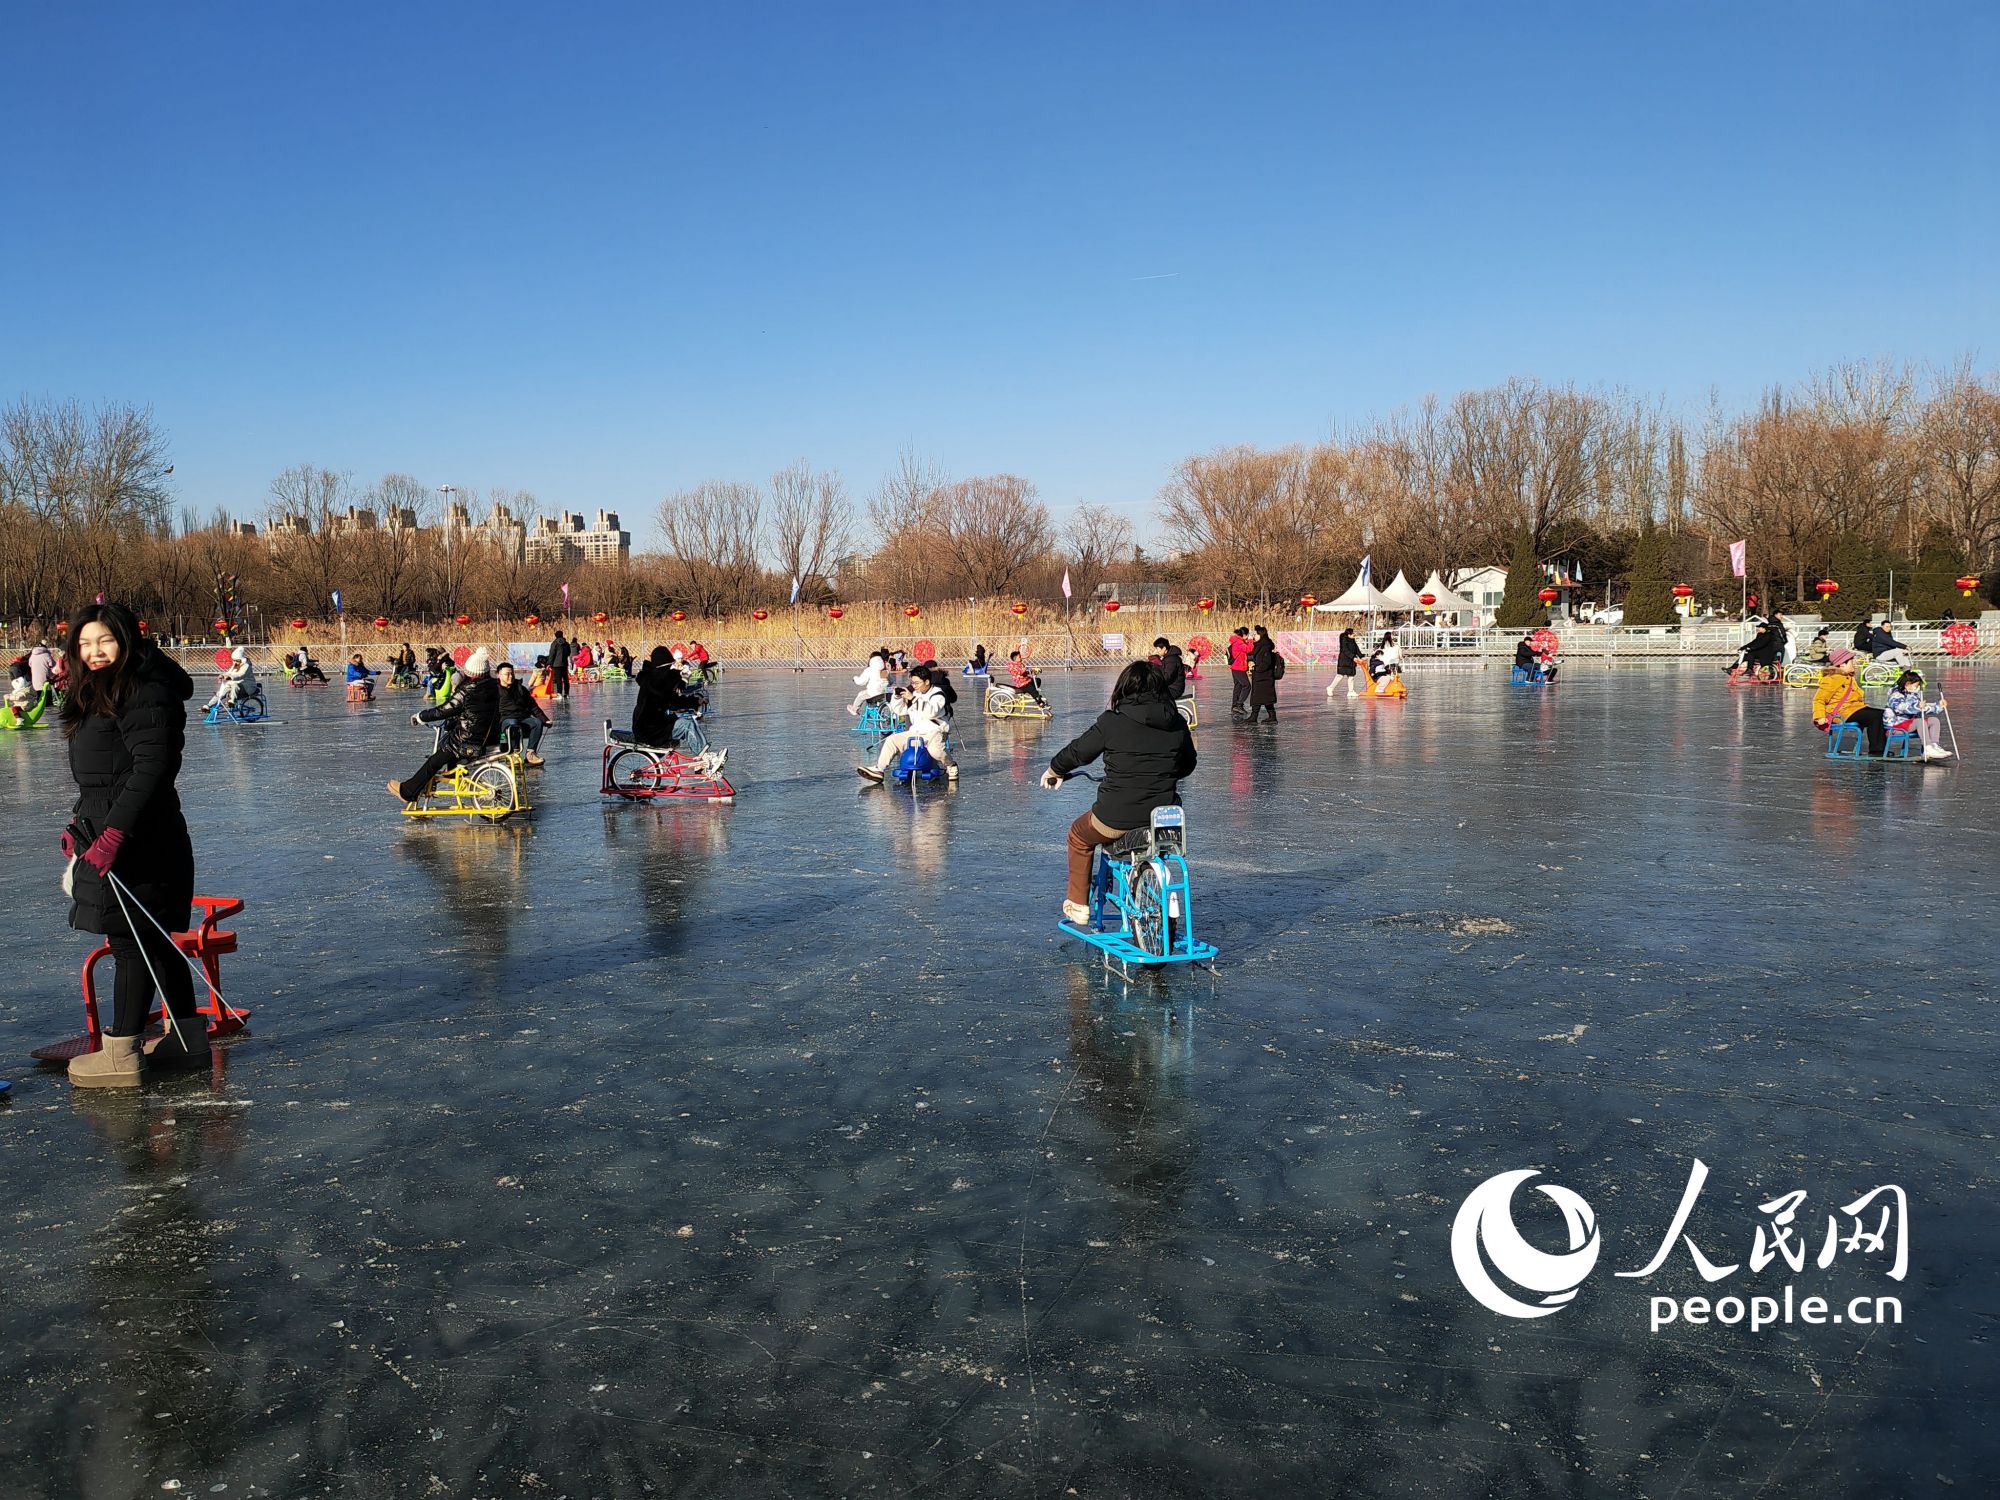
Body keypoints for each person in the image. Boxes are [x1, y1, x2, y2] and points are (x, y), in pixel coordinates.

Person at [58, 603, 204, 1086]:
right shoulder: (107, 688)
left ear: (126, 641)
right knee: (157, 943)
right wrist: (83, 826)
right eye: (84, 644)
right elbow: (107, 774)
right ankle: (185, 1043)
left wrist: (114, 834)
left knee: (132, 944)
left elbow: (151, 769)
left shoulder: (143, 689)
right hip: (119, 830)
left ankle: (121, 1054)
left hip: (142, 840)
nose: (94, 652)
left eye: (105, 641)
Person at [1039, 660, 1197, 925]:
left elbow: (1079, 751)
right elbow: (1188, 764)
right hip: (1163, 818)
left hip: (1115, 817)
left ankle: (1078, 904)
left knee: (1079, 835)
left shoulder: (1112, 722)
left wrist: (1055, 769)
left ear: (1124, 687)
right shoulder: (1177, 723)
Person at [388, 648, 501, 804]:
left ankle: (408, 792)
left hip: (468, 741)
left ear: (471, 672)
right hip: (489, 737)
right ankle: (451, 774)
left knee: (435, 760)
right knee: (448, 742)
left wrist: (421, 716)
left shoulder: (467, 690)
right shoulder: (494, 686)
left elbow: (444, 710)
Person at [632, 646, 724, 770]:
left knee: (688, 722)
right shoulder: (655, 684)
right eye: (669, 666)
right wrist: (693, 700)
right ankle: (704, 757)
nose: (670, 668)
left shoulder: (653, 682)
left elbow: (672, 700)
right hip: (649, 730)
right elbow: (673, 701)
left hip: (653, 725)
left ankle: (702, 758)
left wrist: (695, 701)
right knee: (686, 725)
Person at [858, 669, 957, 783]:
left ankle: (951, 765)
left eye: (917, 683)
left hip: (935, 731)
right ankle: (879, 770)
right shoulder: (915, 694)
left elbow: (931, 712)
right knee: (892, 740)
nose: (914, 686)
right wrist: (897, 698)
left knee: (935, 751)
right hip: (916, 731)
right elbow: (900, 710)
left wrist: (913, 699)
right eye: (912, 683)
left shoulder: (938, 694)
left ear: (927, 682)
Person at [1811, 649, 1887, 756]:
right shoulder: (1832, 679)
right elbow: (1819, 699)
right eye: (1852, 661)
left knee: (1882, 713)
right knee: (1875, 716)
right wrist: (1819, 717)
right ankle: (1877, 751)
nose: (1854, 663)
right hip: (1841, 713)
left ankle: (1882, 748)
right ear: (1842, 664)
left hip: (1853, 710)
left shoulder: (1849, 677)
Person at [1884, 670, 1952, 761]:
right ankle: (1927, 747)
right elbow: (1900, 708)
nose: (1917, 688)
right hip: (1896, 726)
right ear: (1908, 684)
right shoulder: (1895, 695)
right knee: (1920, 722)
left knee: (1934, 720)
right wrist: (1917, 707)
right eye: (1916, 686)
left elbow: (1921, 708)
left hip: (1909, 723)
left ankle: (1934, 745)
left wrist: (1938, 706)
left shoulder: (1913, 695)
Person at [493, 660, 551, 766]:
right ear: (499, 675)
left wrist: (545, 719)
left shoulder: (521, 688)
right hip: (505, 719)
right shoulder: (494, 690)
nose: (510, 676)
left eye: (512, 674)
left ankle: (530, 753)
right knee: (513, 723)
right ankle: (514, 753)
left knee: (537, 723)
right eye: (507, 674)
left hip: (522, 717)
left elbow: (533, 706)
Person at [205, 646, 263, 712]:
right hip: (237, 686)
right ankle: (209, 705)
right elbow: (229, 673)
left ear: (241, 659)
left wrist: (230, 677)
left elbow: (241, 674)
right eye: (234, 660)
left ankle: (232, 701)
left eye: (237, 660)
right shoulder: (235, 665)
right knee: (222, 692)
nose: (235, 662)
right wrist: (222, 676)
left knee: (235, 685)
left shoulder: (247, 665)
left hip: (248, 687)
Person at [1246, 624, 1279, 722]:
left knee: (1259, 697)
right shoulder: (1261, 645)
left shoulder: (1265, 647)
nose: (1253, 636)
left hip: (1264, 677)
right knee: (1264, 697)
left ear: (1260, 635)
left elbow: (1266, 662)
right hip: (1261, 677)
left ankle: (1255, 716)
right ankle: (1270, 716)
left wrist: (1257, 669)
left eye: (1255, 634)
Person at [848, 650, 889, 715]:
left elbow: (861, 682)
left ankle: (854, 709)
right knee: (869, 694)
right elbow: (891, 681)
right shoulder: (884, 670)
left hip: (874, 693)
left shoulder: (870, 670)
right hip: (884, 693)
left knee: (861, 694)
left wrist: (855, 678)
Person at [1329, 626, 1362, 699]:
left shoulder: (1352, 640)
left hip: (1351, 661)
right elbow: (1345, 650)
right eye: (1353, 633)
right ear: (1349, 634)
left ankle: (1351, 691)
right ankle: (1330, 688)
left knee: (1351, 676)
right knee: (1340, 676)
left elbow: (1357, 649)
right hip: (1344, 661)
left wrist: (1361, 656)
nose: (1354, 634)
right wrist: (1353, 657)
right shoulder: (1344, 640)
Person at [1227, 626, 1253, 718]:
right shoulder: (1238, 642)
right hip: (1239, 668)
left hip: (1236, 667)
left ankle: (1234, 706)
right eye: (1248, 635)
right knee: (1247, 686)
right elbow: (1249, 649)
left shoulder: (1237, 641)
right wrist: (1250, 641)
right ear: (1245, 635)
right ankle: (1239, 704)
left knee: (1238, 686)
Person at [548, 630, 571, 700]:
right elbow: (569, 653)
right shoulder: (566, 643)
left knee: (558, 680)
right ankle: (567, 694)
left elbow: (552, 654)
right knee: (566, 679)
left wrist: (550, 664)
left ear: (556, 636)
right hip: (564, 664)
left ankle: (559, 694)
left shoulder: (554, 643)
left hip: (556, 664)